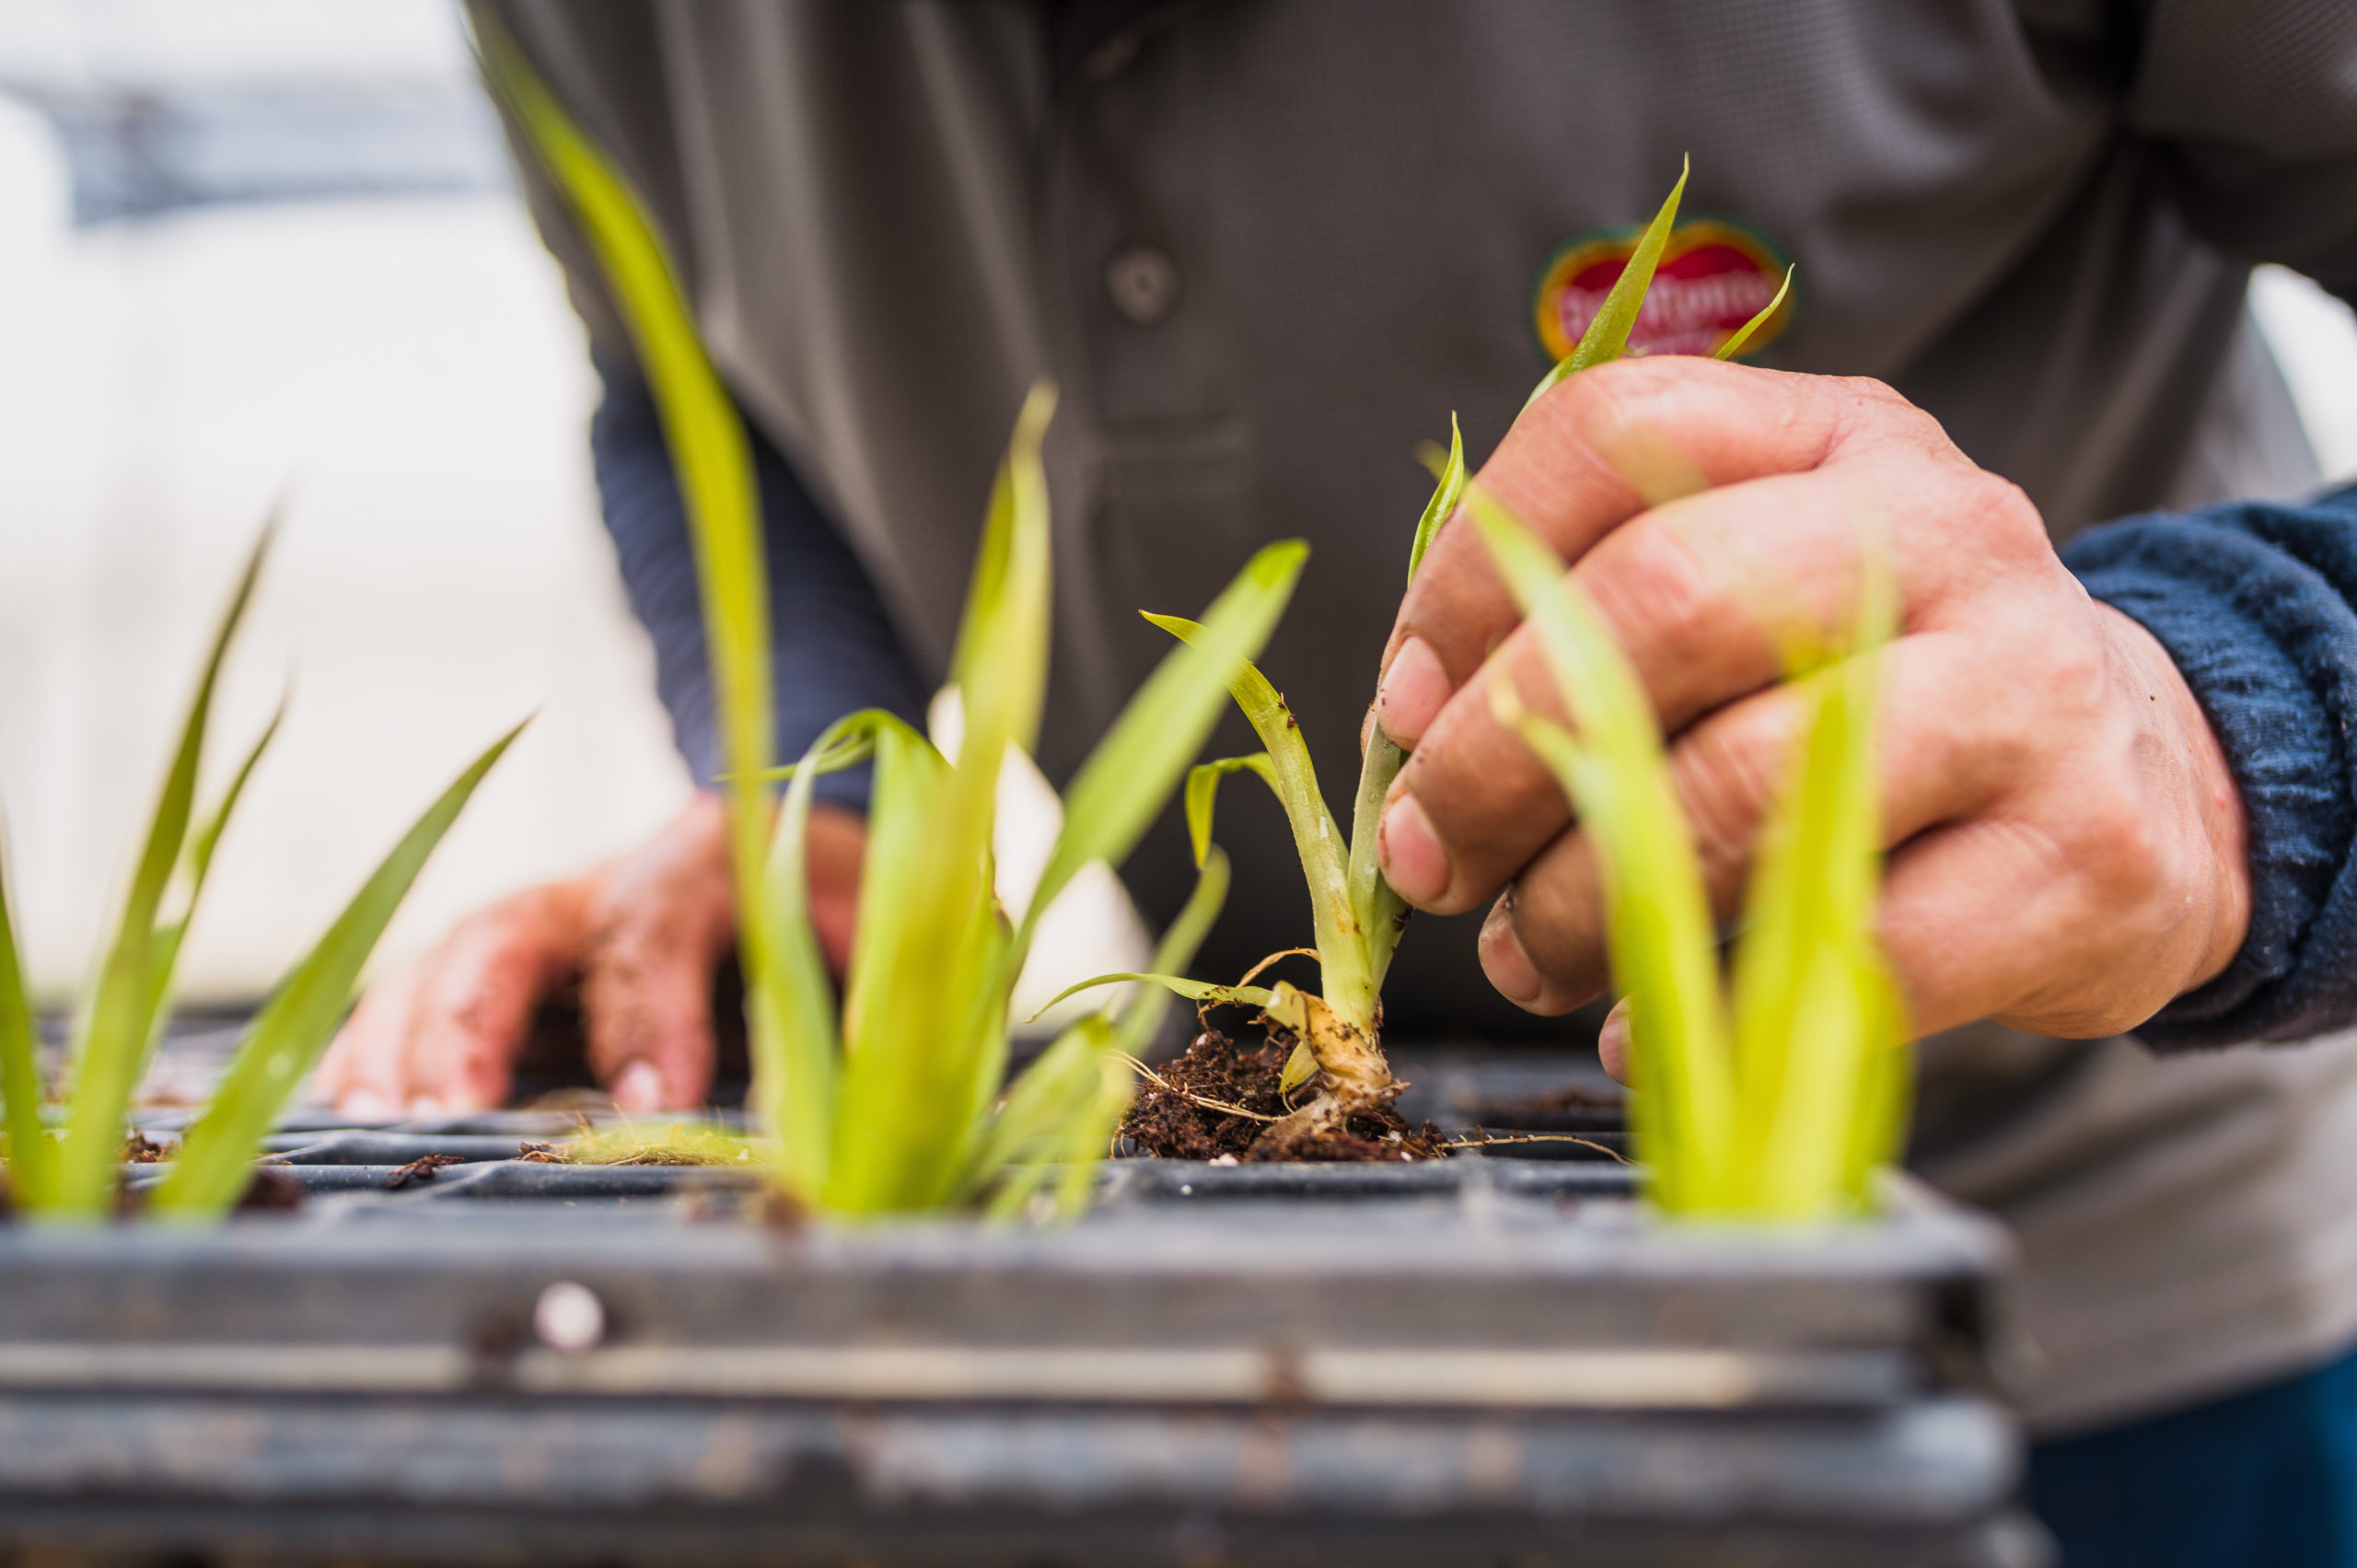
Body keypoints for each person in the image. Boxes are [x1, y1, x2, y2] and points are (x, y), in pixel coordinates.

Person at [314, 4, 2357, 1561]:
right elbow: (693, 386)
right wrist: (811, 775)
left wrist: (2227, 718)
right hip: (1230, 1318)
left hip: (2067, 1306)